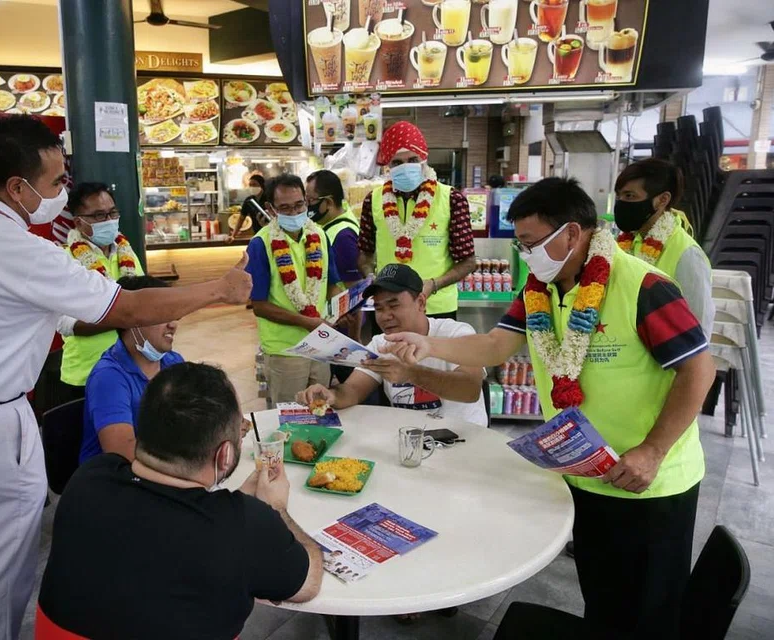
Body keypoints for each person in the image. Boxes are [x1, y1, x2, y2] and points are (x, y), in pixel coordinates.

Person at [0, 115, 251, 640]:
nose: (63, 191)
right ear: (17, 186)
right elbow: (126, 307)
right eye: (57, 182)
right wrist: (218, 290)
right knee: (2, 550)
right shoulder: (17, 248)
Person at [382, 177, 715, 640]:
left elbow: (699, 370)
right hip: (586, 469)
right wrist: (427, 341)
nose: (526, 255)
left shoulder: (643, 286)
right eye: (520, 245)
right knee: (603, 596)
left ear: (573, 234)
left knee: (648, 610)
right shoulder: (539, 289)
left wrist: (653, 451)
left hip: (650, 483)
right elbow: (496, 346)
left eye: (532, 243)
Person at [36, 362, 322, 639]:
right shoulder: (245, 526)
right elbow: (308, 582)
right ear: (224, 455)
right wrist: (274, 507)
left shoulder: (88, 479)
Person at [297, 264, 486, 426]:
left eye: (394, 305)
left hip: (462, 441)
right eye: (379, 308)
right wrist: (330, 396)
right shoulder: (381, 343)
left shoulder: (457, 333)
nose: (385, 316)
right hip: (410, 443)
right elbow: (353, 390)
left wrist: (411, 374)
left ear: (420, 302)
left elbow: (470, 389)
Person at [358, 121, 476, 321]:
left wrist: (434, 284)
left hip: (437, 307)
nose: (406, 167)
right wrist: (372, 278)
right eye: (397, 163)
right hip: (389, 308)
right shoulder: (374, 199)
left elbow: (467, 262)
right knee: (390, 354)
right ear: (388, 166)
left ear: (423, 160)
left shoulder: (451, 198)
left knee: (435, 354)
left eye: (412, 159)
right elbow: (365, 254)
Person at [245, 174, 343, 406]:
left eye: (299, 205)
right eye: (285, 208)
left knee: (322, 410)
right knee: (291, 416)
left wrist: (341, 307)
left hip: (320, 344)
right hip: (284, 351)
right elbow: (259, 306)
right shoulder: (261, 244)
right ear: (271, 209)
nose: (294, 213)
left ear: (307, 202)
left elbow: (333, 284)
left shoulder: (319, 235)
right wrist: (306, 322)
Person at [80, 275, 182, 463]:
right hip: (117, 481)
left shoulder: (173, 362)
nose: (173, 324)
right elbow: (124, 453)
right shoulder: (109, 378)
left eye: (173, 314)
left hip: (161, 469)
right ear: (130, 321)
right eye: (161, 315)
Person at [57, 182, 145, 400]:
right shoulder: (64, 260)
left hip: (130, 369)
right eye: (99, 216)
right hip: (86, 374)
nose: (109, 221)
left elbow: (144, 298)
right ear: (79, 221)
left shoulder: (127, 253)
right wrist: (126, 316)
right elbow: (67, 324)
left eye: (112, 213)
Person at [615, 158, 714, 337]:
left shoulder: (687, 254)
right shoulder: (626, 243)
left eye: (630, 196)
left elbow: (699, 329)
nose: (621, 202)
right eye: (619, 195)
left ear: (662, 200)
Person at [306, 170, 362, 287]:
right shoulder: (332, 223)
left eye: (311, 200)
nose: (307, 206)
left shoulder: (343, 237)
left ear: (329, 202)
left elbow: (354, 288)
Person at [228, 173, 267, 243]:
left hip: (270, 234)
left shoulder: (269, 199)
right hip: (257, 235)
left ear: (262, 185)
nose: (252, 187)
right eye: (250, 185)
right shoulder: (249, 201)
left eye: (254, 184)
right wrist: (233, 235)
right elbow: (241, 219)